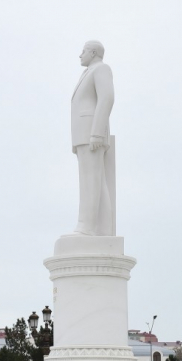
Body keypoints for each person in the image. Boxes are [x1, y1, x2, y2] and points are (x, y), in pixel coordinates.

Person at [71, 40, 116, 236]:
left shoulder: (101, 69)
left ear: (93, 52)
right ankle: (103, 229)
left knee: (91, 179)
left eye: (83, 51)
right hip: (83, 132)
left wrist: (97, 132)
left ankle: (86, 226)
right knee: (94, 179)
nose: (80, 55)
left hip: (91, 131)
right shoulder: (88, 72)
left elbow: (107, 97)